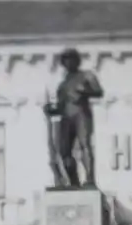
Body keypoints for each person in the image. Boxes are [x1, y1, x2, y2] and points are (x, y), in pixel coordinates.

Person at [44, 47, 104, 187]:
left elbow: (99, 92)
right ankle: (73, 182)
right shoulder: (63, 85)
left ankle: (90, 179)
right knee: (64, 151)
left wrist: (85, 91)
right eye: (65, 61)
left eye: (71, 60)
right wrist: (51, 109)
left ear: (77, 61)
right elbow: (60, 105)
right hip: (66, 117)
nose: (68, 63)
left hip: (81, 114)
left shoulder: (86, 76)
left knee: (85, 145)